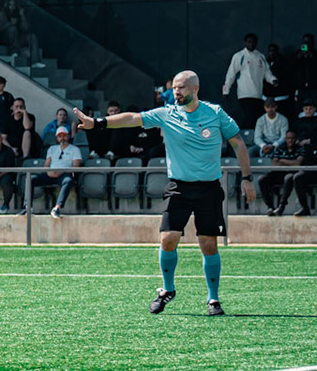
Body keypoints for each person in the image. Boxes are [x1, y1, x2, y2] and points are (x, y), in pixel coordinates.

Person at [74, 69, 253, 316]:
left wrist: (247, 178)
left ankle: (213, 299)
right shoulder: (167, 114)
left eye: (181, 87)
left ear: (195, 89)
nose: (176, 92)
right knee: (168, 238)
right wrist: (98, 123)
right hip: (178, 187)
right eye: (174, 88)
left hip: (209, 189)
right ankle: (167, 290)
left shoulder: (215, 113)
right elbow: (132, 118)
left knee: (208, 244)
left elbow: (238, 143)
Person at [222, 33, 275, 132]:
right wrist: (226, 91)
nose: (251, 44)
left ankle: (252, 137)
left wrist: (273, 80)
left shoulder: (260, 56)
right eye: (249, 42)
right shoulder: (239, 56)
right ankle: (242, 136)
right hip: (244, 94)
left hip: (258, 95)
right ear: (245, 43)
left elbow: (267, 72)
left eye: (253, 42)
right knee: (247, 117)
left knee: (255, 119)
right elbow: (231, 74)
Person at [260, 130, 307, 216]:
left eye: (293, 138)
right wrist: (290, 162)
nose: (290, 140)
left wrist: (282, 160)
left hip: (292, 174)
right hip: (279, 173)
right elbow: (274, 164)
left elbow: (297, 164)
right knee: (262, 179)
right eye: (288, 138)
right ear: (285, 139)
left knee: (289, 177)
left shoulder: (301, 148)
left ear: (296, 139)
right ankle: (270, 207)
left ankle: (281, 206)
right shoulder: (280, 148)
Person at [41, 125, 83, 217]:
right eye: (60, 136)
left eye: (64, 135)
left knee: (68, 181)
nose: (62, 138)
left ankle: (57, 208)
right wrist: (48, 172)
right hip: (51, 174)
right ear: (57, 138)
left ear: (68, 136)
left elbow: (75, 167)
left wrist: (61, 171)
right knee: (31, 179)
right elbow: (46, 164)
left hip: (65, 174)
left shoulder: (75, 149)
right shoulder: (52, 149)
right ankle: (27, 207)